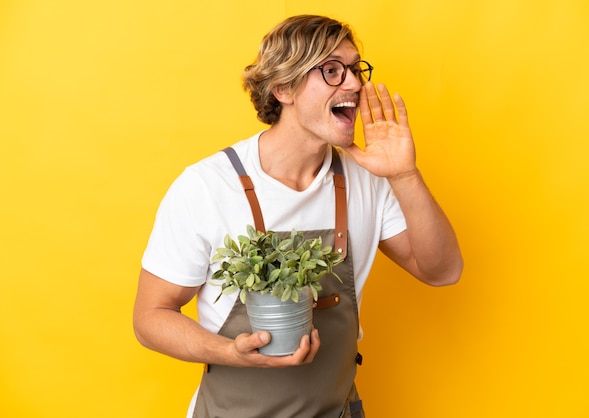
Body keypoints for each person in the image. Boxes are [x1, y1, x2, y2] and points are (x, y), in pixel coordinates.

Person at [133, 14, 463, 418]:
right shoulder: (207, 186)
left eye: (355, 69)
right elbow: (150, 317)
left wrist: (405, 175)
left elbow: (442, 271)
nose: (356, 84)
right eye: (331, 70)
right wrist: (230, 352)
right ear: (283, 88)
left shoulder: (368, 179)